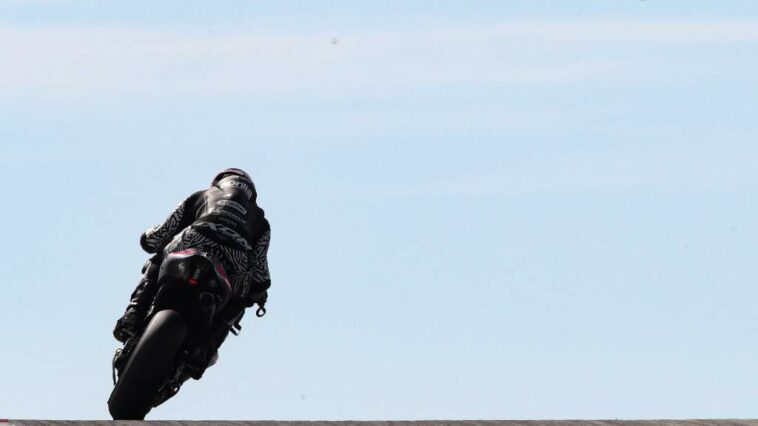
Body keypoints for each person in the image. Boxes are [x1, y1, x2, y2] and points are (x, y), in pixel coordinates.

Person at [113, 168, 271, 377]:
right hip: (234, 260)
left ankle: (132, 315)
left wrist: (146, 239)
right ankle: (202, 351)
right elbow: (259, 269)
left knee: (159, 258)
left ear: (218, 182)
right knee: (237, 303)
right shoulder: (260, 219)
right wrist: (259, 292)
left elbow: (162, 233)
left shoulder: (203, 195)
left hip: (194, 239)